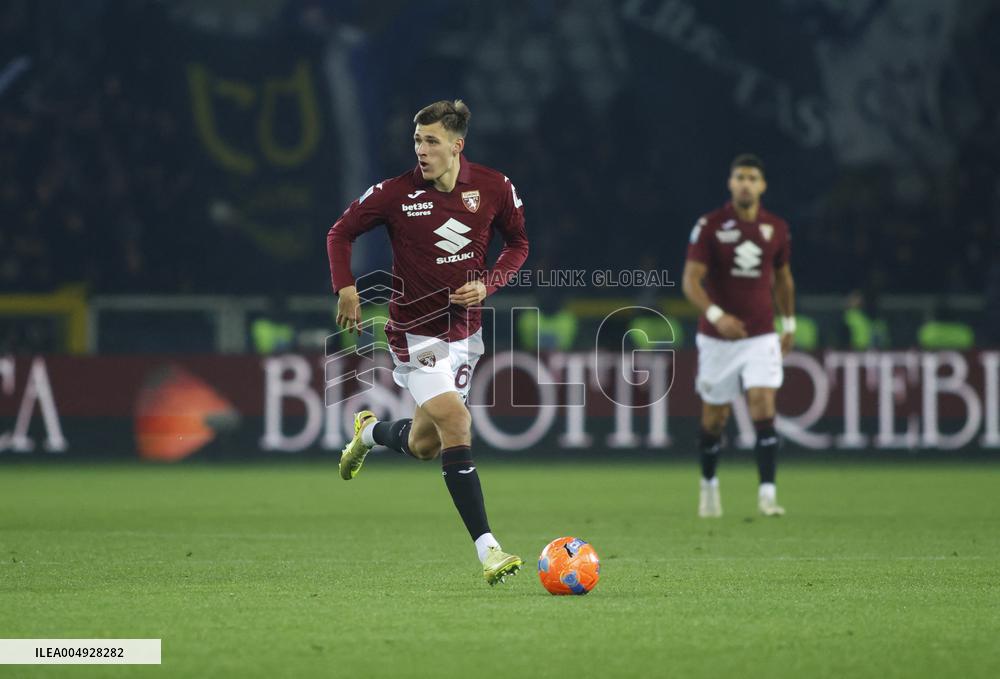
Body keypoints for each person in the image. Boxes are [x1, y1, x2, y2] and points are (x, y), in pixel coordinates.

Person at [326, 100, 529, 585]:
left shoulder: (494, 187)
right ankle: (489, 551)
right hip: (415, 333)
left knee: (423, 445)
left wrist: (489, 284)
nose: (421, 150)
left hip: (466, 335)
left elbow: (518, 244)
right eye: (417, 140)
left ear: (457, 146)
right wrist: (346, 287)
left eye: (431, 141)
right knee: (457, 422)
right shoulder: (395, 194)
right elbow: (340, 233)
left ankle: (369, 434)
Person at [681, 154, 796, 518]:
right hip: (718, 339)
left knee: (762, 402)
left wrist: (789, 323)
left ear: (762, 186)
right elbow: (690, 281)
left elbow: (783, 279)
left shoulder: (776, 227)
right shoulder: (710, 226)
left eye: (752, 178)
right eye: (740, 177)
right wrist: (718, 316)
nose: (746, 183)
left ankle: (767, 494)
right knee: (715, 419)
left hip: (761, 334)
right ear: (730, 183)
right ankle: (709, 485)